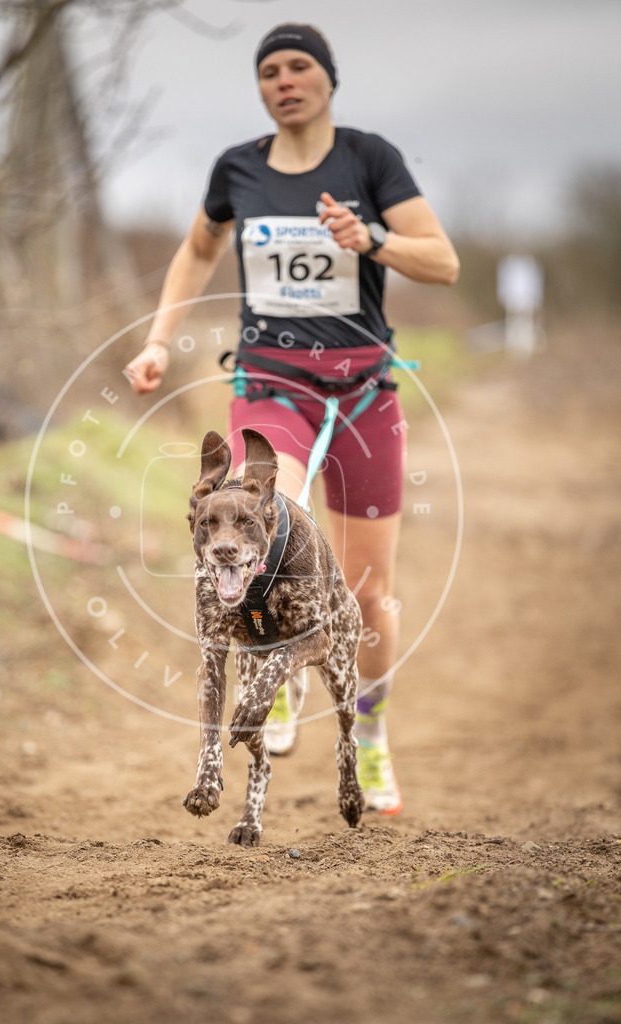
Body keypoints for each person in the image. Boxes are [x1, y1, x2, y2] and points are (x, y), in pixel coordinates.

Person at [125, 23, 459, 816]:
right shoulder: (237, 169)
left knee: (369, 592)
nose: (284, 79)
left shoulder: (368, 160)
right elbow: (197, 248)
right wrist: (157, 339)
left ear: (327, 78)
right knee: (263, 517)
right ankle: (273, 684)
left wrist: (371, 237)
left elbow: (441, 262)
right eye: (268, 69)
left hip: (363, 393)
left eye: (298, 65)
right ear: (261, 87)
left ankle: (369, 736)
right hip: (271, 383)